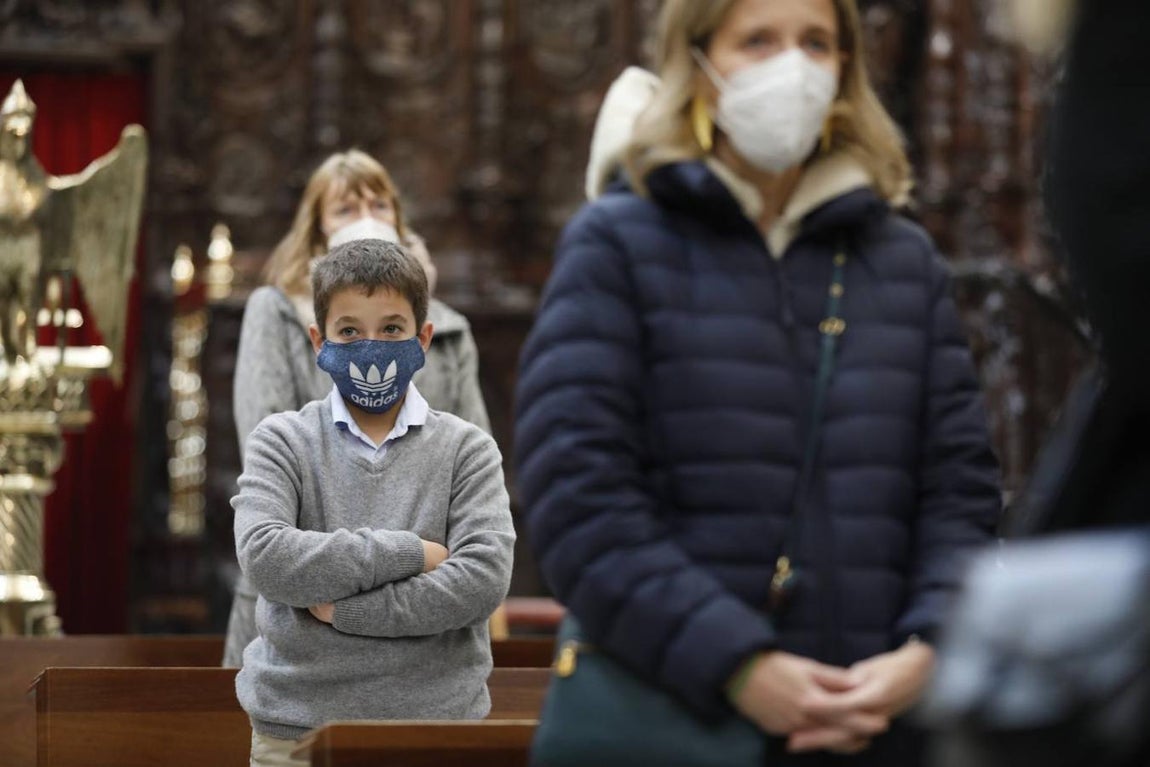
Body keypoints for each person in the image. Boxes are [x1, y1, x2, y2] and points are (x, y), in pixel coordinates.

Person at [514, 0, 1000, 763]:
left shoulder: (902, 262)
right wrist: (736, 664)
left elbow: (959, 492)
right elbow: (578, 494)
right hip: (678, 714)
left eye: (817, 43)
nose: (793, 67)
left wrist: (927, 648)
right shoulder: (618, 243)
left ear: (846, 72)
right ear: (700, 66)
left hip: (872, 724)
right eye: (758, 41)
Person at [232, 238, 515, 766]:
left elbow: (481, 581)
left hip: (440, 733)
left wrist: (345, 611)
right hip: (295, 733)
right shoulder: (281, 442)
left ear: (423, 337)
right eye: (349, 331)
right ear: (319, 340)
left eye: (390, 329)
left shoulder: (467, 450)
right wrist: (414, 553)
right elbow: (267, 559)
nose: (371, 345)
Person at [223, 149, 491, 667]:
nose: (367, 217)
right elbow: (269, 466)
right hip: (298, 616)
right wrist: (401, 556)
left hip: (425, 625)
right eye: (346, 208)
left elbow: (472, 482)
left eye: (379, 203)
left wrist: (372, 599)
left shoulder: (449, 329)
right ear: (318, 233)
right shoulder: (276, 312)